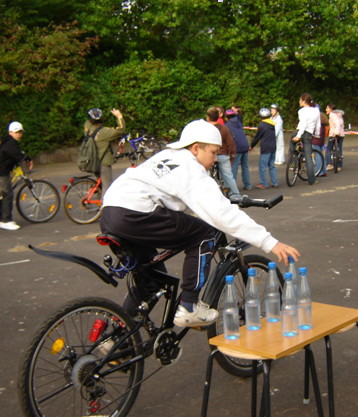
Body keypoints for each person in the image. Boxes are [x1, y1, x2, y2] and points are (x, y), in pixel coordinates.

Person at [100, 120, 300, 327]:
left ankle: (116, 337)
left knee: (152, 280)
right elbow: (221, 214)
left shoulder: (166, 156)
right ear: (196, 148)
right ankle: (189, 306)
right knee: (205, 234)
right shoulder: (190, 168)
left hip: (111, 213)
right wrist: (270, 243)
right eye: (213, 153)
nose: (215, 159)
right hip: (137, 212)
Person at [0, 122, 33, 231]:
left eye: (20, 132)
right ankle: (5, 221)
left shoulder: (9, 142)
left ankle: (3, 219)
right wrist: (27, 158)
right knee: (8, 194)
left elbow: (15, 155)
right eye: (16, 132)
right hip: (1, 172)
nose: (18, 134)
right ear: (10, 132)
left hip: (1, 170)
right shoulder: (10, 143)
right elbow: (16, 154)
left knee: (4, 194)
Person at [84, 108, 126, 196]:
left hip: (92, 162)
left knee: (101, 186)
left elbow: (88, 122)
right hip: (103, 164)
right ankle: (104, 208)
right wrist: (119, 116)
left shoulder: (88, 128)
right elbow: (121, 130)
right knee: (107, 189)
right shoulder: (104, 132)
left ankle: (100, 204)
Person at [207, 107, 240, 197]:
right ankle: (235, 196)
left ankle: (208, 195)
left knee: (205, 176)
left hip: (209, 156)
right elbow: (231, 143)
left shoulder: (205, 129)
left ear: (208, 117)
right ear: (218, 117)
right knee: (228, 176)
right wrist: (232, 156)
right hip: (223, 155)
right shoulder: (224, 128)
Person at [290, 93, 321, 185]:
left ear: (304, 101)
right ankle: (312, 180)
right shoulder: (316, 111)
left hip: (300, 131)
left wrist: (298, 136)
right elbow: (318, 125)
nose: (299, 102)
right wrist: (317, 134)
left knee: (292, 143)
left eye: (300, 100)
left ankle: (293, 160)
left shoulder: (302, 111)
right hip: (309, 134)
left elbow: (303, 124)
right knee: (308, 157)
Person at [249, 108, 279, 189]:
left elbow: (257, 137)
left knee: (262, 167)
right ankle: (275, 182)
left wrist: (252, 146)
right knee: (271, 165)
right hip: (273, 147)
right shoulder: (272, 124)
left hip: (265, 148)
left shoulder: (262, 125)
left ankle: (263, 183)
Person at [225, 109, 252, 190]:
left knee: (234, 167)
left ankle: (233, 187)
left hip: (237, 148)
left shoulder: (227, 126)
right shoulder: (239, 123)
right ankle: (248, 185)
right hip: (245, 146)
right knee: (245, 167)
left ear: (226, 118)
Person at [326, 104, 345, 171]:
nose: (326, 110)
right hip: (341, 134)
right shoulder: (339, 115)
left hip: (334, 134)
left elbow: (337, 124)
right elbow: (341, 124)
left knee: (328, 148)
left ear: (331, 109)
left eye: (327, 108)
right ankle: (339, 165)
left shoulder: (332, 115)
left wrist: (336, 132)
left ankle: (329, 164)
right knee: (339, 148)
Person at [314, 112, 329, 177]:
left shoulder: (317, 125)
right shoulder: (323, 125)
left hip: (315, 141)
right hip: (321, 141)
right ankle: (323, 170)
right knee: (321, 155)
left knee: (317, 156)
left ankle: (318, 172)